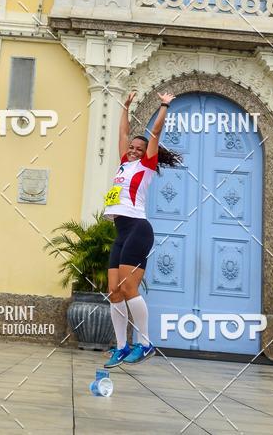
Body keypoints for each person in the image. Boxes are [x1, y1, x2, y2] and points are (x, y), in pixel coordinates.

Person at [103, 90, 182, 367]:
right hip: (121, 232)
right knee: (114, 291)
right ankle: (122, 346)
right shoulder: (125, 163)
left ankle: (145, 343)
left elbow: (156, 132)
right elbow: (122, 134)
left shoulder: (146, 165)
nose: (134, 149)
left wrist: (163, 105)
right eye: (132, 147)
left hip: (138, 229)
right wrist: (125, 107)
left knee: (128, 287)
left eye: (139, 147)